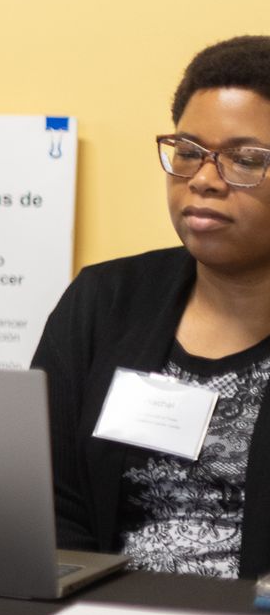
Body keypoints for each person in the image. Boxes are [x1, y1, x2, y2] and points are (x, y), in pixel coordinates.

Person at [33, 35, 270, 579]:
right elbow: (47, 496)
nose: (205, 180)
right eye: (188, 153)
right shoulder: (105, 299)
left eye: (245, 159)